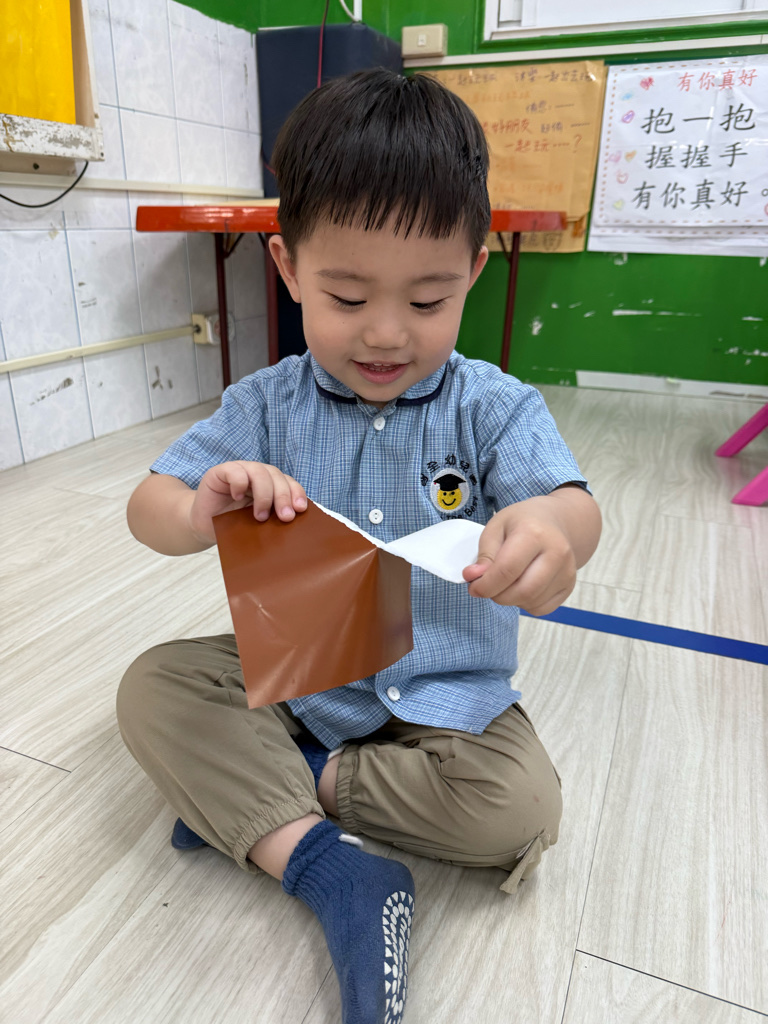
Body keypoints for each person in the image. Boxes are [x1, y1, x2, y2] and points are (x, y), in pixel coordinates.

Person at [118, 68, 601, 1024]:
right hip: (297, 679)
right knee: (155, 687)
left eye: (427, 302)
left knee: (522, 810)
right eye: (345, 296)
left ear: (474, 270)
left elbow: (571, 504)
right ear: (288, 267)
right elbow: (149, 505)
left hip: (445, 696)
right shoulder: (266, 403)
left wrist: (552, 533)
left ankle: (269, 793)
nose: (385, 335)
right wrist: (198, 509)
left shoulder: (495, 406)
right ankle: (334, 870)